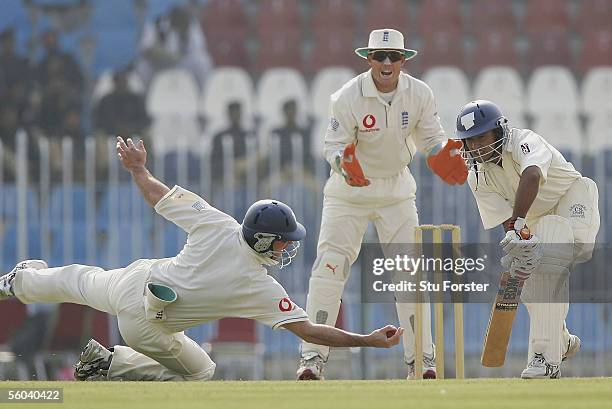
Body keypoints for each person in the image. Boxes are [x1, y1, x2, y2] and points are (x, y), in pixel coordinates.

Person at [0, 136, 403, 381]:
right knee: (202, 372)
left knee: (78, 279)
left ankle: (17, 282)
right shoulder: (258, 285)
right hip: (145, 326)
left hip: (135, 279)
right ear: (263, 240)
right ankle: (110, 364)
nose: (286, 248)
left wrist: (139, 169)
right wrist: (366, 340)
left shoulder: (219, 224)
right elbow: (311, 332)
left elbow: (158, 196)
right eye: (282, 242)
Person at [296, 28, 468, 380]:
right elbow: (332, 145)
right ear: (368, 59)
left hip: (396, 192)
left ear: (404, 60)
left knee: (410, 274)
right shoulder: (347, 97)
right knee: (329, 269)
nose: (387, 63)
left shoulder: (419, 94)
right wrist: (343, 164)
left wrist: (442, 153)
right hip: (348, 193)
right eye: (380, 56)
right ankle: (312, 359)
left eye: (394, 57)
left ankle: (421, 362)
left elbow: (431, 139)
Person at [454, 100, 599, 378]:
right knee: (531, 281)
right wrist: (516, 242)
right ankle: (561, 340)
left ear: (498, 131)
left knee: (550, 263)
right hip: (533, 220)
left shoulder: (524, 141)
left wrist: (518, 224)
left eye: (481, 137)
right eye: (469, 141)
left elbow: (532, 175)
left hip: (572, 199)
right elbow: (507, 220)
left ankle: (545, 359)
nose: (475, 147)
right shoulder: (477, 177)